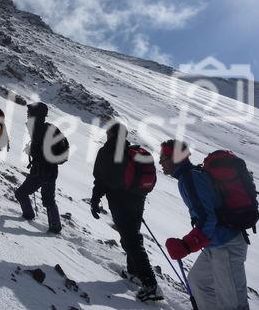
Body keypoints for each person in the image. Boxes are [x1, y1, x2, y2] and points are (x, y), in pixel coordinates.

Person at [160, 140, 249, 310]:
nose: (160, 163)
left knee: (232, 305)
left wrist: (186, 245)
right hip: (215, 244)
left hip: (227, 245)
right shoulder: (188, 176)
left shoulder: (191, 178)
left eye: (163, 158)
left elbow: (208, 218)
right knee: (198, 282)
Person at [90, 122, 162, 302]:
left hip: (120, 202)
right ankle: (133, 272)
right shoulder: (133, 153)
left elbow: (100, 180)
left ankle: (151, 285)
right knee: (131, 236)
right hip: (137, 200)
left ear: (110, 135)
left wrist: (95, 200)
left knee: (131, 241)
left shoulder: (106, 152)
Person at [15, 102, 62, 234]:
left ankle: (29, 215)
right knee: (48, 199)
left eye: (29, 112)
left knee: (21, 193)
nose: (27, 114)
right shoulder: (46, 128)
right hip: (50, 170)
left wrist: (34, 153)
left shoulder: (38, 129)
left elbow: (42, 150)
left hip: (41, 171)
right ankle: (55, 226)